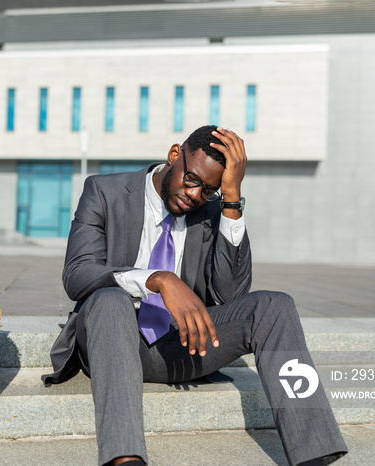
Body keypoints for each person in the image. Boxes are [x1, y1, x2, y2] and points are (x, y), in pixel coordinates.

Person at [42, 125, 348, 466]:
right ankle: (125, 459)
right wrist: (157, 280)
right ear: (175, 154)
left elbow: (230, 294)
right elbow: (77, 274)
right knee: (110, 298)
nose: (194, 195)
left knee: (274, 305)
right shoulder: (104, 190)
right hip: (109, 337)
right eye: (191, 179)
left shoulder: (212, 210)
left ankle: (313, 456)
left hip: (181, 343)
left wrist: (231, 203)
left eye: (209, 190)